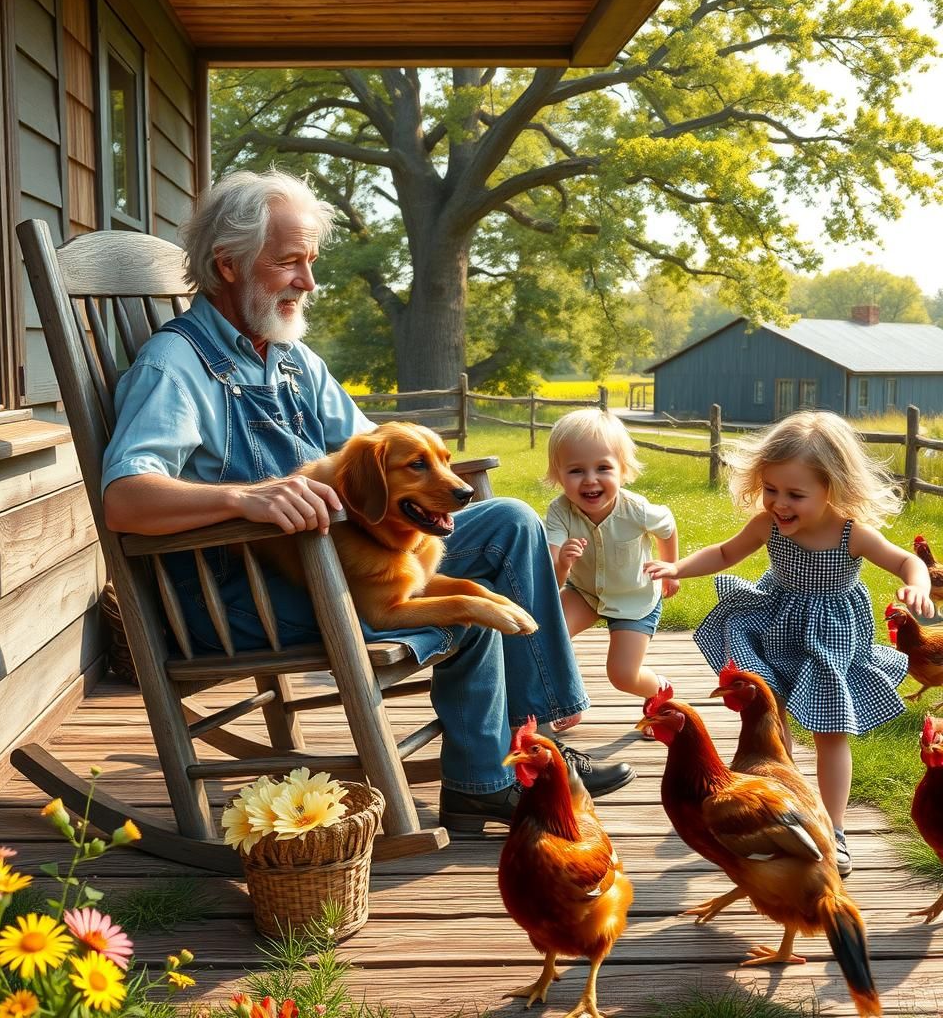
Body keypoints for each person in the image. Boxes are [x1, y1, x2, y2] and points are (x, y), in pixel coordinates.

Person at [100, 168, 635, 834]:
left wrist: (424, 475)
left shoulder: (292, 359)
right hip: (245, 596)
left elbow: (372, 452)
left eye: (310, 263)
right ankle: (484, 781)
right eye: (289, 262)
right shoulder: (174, 367)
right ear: (227, 265)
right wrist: (246, 497)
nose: (308, 282)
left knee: (508, 525)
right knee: (469, 613)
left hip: (336, 563)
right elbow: (124, 498)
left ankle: (538, 742)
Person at [644, 409, 934, 876]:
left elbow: (905, 562)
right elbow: (724, 553)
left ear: (833, 488)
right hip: (774, 625)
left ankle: (833, 829)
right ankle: (785, 809)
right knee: (770, 724)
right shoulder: (768, 526)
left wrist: (916, 584)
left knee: (831, 732)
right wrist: (678, 568)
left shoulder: (850, 533)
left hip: (831, 640)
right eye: (771, 490)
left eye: (795, 494)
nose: (780, 504)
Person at [544, 409, 680, 726]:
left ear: (622, 470)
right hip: (585, 592)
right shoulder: (559, 512)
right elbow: (552, 576)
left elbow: (667, 526)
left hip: (635, 599)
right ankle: (568, 701)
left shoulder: (636, 510)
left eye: (603, 468)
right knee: (547, 637)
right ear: (558, 475)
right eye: (576, 470)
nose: (590, 479)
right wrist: (563, 562)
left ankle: (659, 691)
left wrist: (670, 567)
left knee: (622, 674)